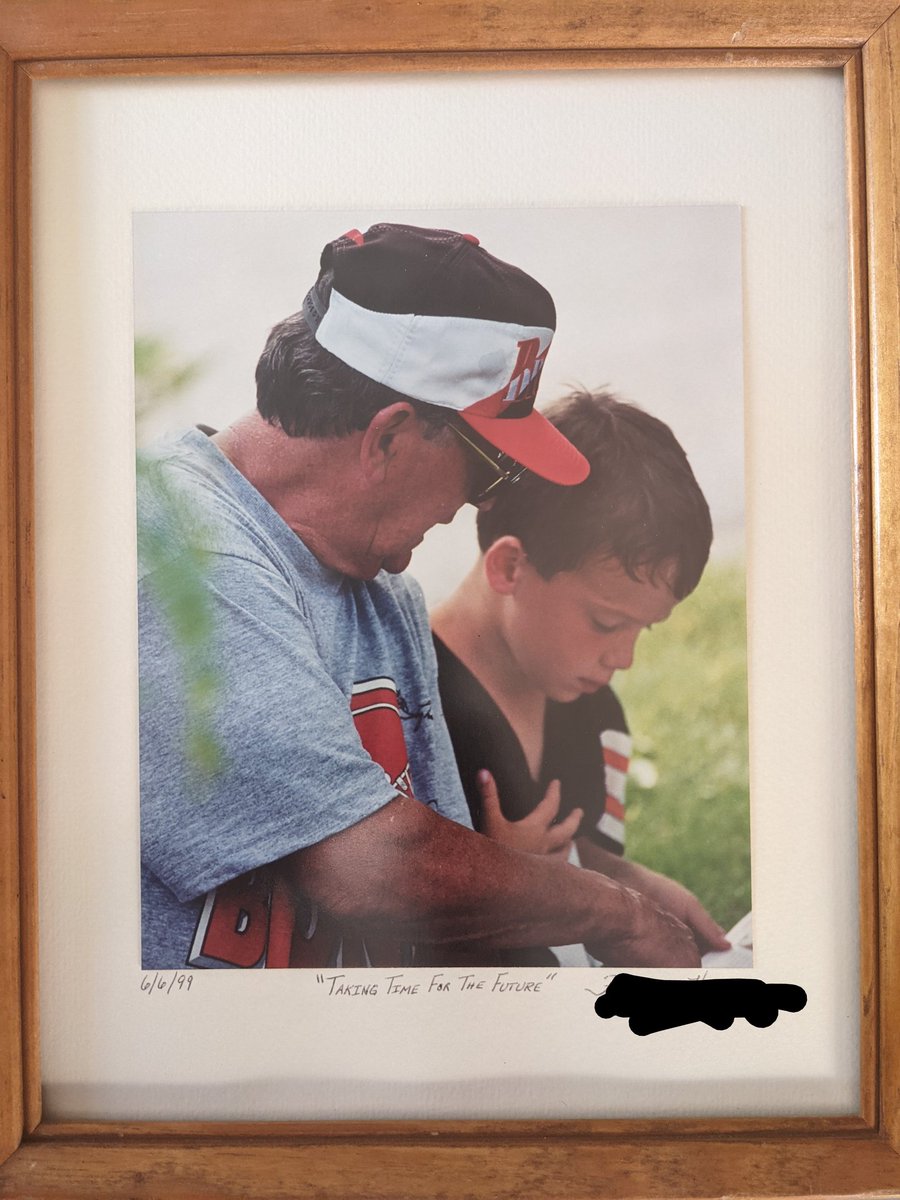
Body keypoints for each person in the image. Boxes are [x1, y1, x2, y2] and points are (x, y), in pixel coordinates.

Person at [138, 223, 701, 971]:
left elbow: (446, 886)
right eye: (491, 471)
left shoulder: (383, 588)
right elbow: (371, 869)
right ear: (389, 439)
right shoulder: (182, 554)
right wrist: (616, 913)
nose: (478, 505)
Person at [431, 389, 732, 966]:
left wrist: (628, 881)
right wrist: (498, 880)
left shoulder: (594, 716)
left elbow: (580, 850)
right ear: (511, 567)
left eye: (643, 631)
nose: (624, 658)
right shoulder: (412, 707)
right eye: (606, 622)